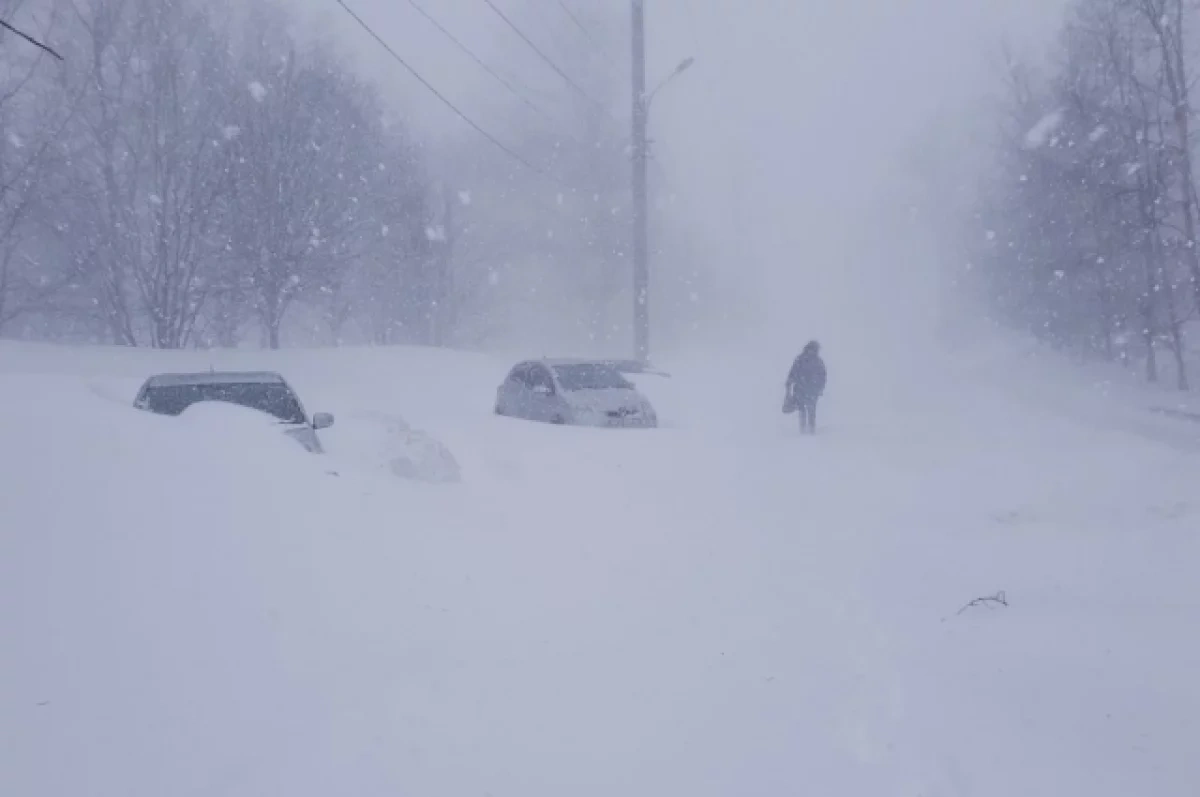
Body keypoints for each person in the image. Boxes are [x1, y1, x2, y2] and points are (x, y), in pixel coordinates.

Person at [784, 340, 826, 434]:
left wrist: (789, 383)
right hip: (806, 390)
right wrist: (820, 387)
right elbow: (823, 376)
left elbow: (822, 377)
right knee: (807, 410)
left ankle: (807, 430)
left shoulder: (804, 359)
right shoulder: (813, 361)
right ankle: (807, 430)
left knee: (807, 410)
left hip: (806, 390)